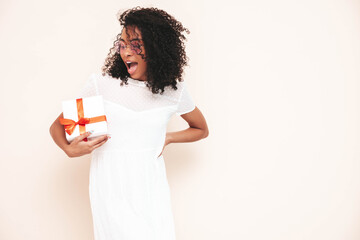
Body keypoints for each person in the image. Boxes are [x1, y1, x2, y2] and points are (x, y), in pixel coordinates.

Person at [49, 6, 209, 240]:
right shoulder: (103, 87)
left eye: (135, 44)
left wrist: (169, 137)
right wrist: (69, 149)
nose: (126, 51)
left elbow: (201, 129)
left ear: (156, 47)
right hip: (110, 188)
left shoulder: (173, 92)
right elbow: (57, 127)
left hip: (150, 189)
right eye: (122, 44)